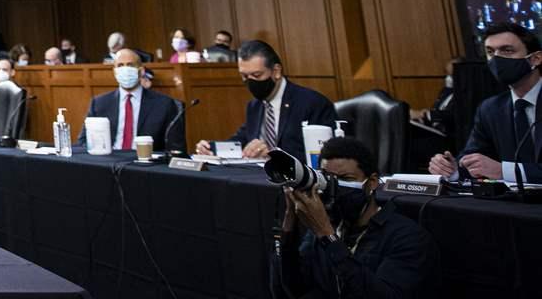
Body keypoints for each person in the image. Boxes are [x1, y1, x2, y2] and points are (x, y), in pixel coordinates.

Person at [272, 136, 434, 298]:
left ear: (372, 182)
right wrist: (288, 228)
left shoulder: (407, 237)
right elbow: (290, 290)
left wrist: (327, 236)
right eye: (328, 179)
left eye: (345, 179)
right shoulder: (329, 226)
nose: (334, 187)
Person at [427, 22, 540, 183]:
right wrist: (452, 170)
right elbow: (471, 158)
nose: (497, 58)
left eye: (507, 50)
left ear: (535, 59)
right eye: (490, 52)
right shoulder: (490, 108)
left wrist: (504, 171)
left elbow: (498, 171)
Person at [195, 39, 335, 160]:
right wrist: (212, 148)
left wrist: (274, 156)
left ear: (276, 71)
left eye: (256, 75)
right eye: (244, 76)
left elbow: (325, 156)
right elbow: (242, 140)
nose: (250, 82)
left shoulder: (311, 103)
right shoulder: (255, 106)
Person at [81, 48, 184, 152]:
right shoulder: (99, 103)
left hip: (145, 164)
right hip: (109, 162)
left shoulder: (164, 104)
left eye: (130, 65)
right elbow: (83, 141)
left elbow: (176, 148)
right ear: (114, 71)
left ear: (141, 71)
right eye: (120, 65)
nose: (125, 69)